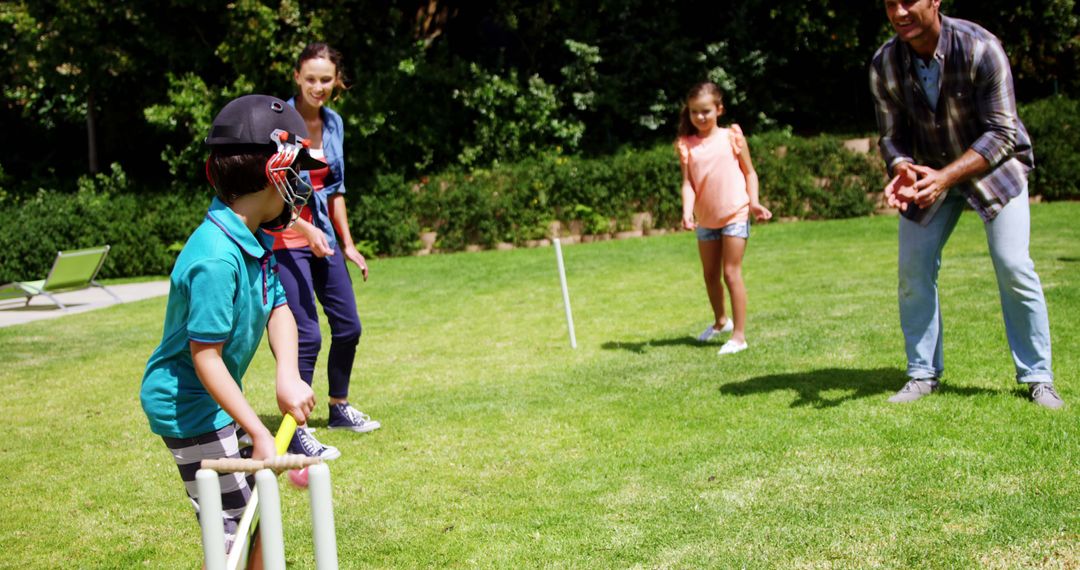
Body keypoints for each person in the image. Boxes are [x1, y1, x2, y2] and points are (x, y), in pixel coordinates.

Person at [140, 94, 320, 563]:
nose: (302, 185)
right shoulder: (216, 258)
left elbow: (278, 306)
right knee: (233, 528)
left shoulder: (255, 238)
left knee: (262, 504)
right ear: (272, 174)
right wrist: (256, 428)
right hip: (189, 406)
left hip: (213, 398)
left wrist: (287, 375)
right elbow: (206, 357)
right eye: (295, 172)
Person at [870, 0, 1062, 408]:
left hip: (993, 168)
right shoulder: (884, 63)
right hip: (928, 175)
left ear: (935, 0)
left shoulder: (980, 48)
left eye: (908, 1)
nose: (899, 12)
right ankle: (922, 374)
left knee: (1013, 264)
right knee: (912, 270)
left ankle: (1038, 377)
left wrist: (945, 177)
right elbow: (890, 136)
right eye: (891, 3)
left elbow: (1001, 134)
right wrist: (902, 167)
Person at [268, 42, 380, 461]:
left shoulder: (334, 124)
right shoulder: (276, 122)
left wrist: (347, 244)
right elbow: (269, 188)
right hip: (283, 241)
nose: (319, 87)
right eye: (311, 78)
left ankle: (338, 408)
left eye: (326, 79)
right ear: (296, 76)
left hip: (323, 240)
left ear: (337, 81)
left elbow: (336, 190)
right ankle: (295, 429)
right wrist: (303, 226)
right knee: (306, 336)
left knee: (349, 327)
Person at [676, 82, 772, 356]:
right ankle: (721, 321)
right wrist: (686, 211)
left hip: (735, 213)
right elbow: (688, 184)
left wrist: (753, 203)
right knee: (710, 275)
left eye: (706, 111)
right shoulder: (687, 145)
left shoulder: (732, 137)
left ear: (719, 109)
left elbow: (750, 172)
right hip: (705, 219)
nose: (700, 117)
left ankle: (739, 336)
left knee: (731, 273)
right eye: (694, 112)